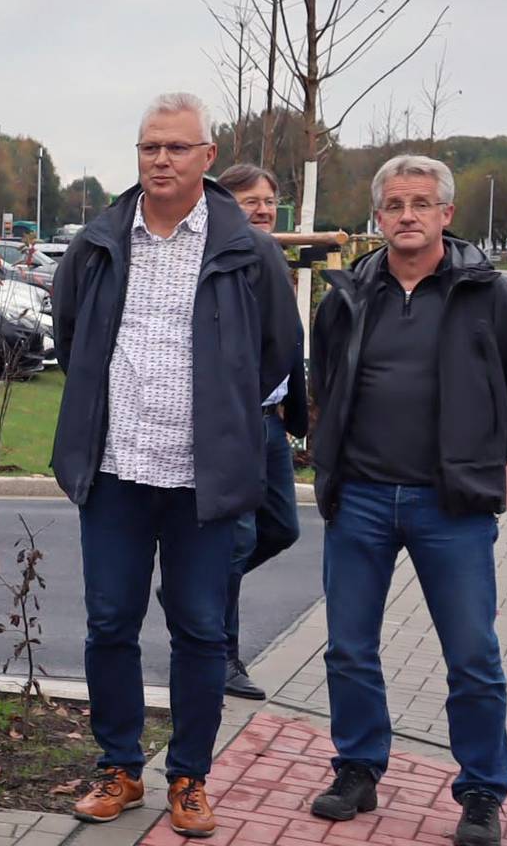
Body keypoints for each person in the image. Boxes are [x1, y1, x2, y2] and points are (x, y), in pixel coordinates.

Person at [49, 93, 297, 839]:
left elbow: (278, 351)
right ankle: (121, 769)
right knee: (110, 624)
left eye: (176, 148)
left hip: (205, 480)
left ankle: (189, 778)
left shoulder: (248, 250)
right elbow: (70, 335)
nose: (161, 159)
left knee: (198, 631)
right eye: (150, 147)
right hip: (117, 471)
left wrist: (223, 416)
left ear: (206, 157)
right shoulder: (99, 241)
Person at [304, 155, 507, 846]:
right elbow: (327, 383)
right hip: (363, 498)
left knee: (472, 653)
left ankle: (481, 791)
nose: (407, 215)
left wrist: (478, 460)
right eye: (394, 204)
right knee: (349, 647)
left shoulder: (490, 295)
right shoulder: (347, 294)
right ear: (377, 218)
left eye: (421, 203)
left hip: (450, 506)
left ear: (446, 214)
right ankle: (357, 769)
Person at [214, 164, 308, 701]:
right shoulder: (228, 263)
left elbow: (287, 340)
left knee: (282, 528)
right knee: (237, 539)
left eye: (270, 200)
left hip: (272, 422)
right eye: (251, 200)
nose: (264, 209)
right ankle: (222, 654)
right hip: (238, 420)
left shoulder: (270, 257)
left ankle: (193, 595)